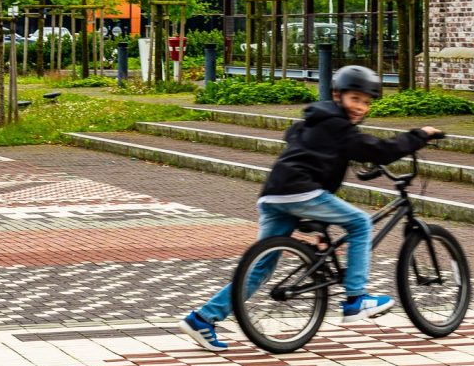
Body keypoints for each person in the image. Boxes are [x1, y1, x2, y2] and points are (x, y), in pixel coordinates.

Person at [178, 66, 441, 351]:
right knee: (360, 223)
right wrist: (418, 135)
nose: (361, 107)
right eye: (355, 99)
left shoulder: (314, 122)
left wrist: (318, 224)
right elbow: (378, 151)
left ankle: (202, 319)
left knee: (261, 266)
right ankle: (356, 299)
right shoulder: (337, 126)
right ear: (338, 95)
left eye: (366, 102)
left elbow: (313, 160)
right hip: (300, 191)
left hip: (275, 195)